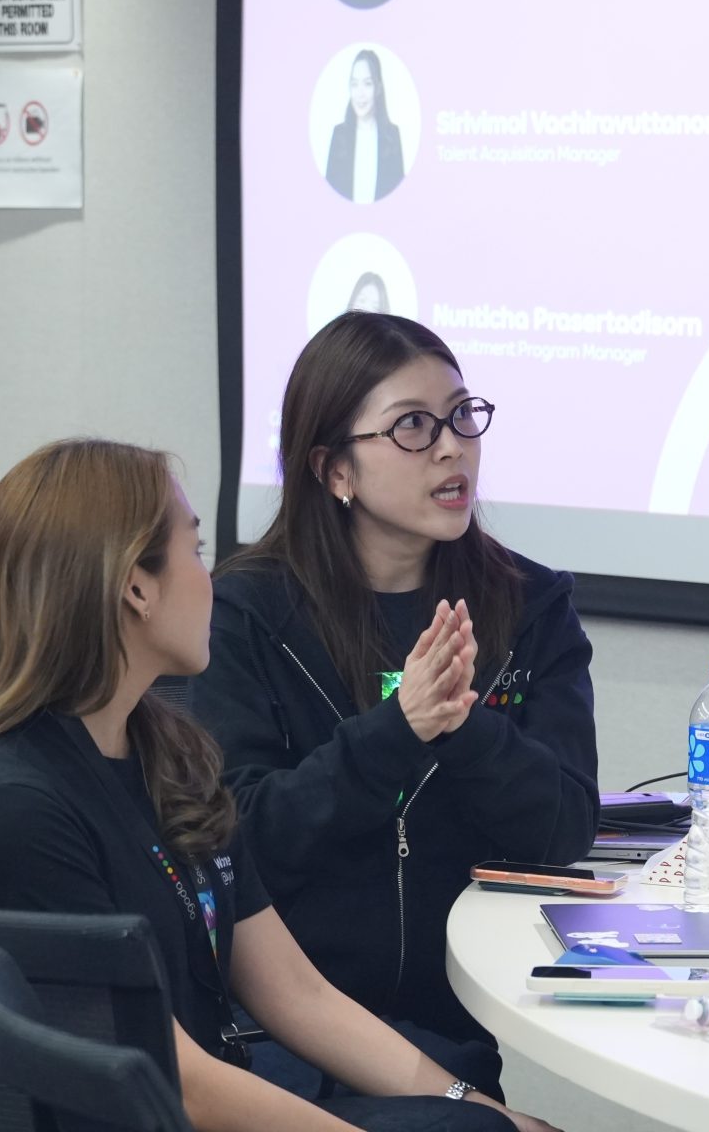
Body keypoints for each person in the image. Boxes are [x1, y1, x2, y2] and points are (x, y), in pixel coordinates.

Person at [0, 439, 553, 1132]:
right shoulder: (11, 809)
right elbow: (176, 1082)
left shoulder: (165, 754)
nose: (215, 580)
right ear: (136, 587)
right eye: (196, 551)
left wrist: (479, 1107)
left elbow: (295, 993)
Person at [196, 314, 598, 1100]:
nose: (453, 448)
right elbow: (245, 842)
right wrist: (396, 731)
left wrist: (463, 726)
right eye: (413, 426)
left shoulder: (529, 607)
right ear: (334, 470)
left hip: (453, 1032)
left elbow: (564, 829)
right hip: (279, 1036)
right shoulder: (247, 612)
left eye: (461, 416)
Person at [324, 50, 408, 203]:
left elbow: (399, 199)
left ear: (378, 88)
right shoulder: (339, 135)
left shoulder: (392, 136)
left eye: (367, 84)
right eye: (354, 84)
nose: (360, 94)